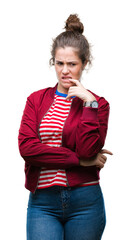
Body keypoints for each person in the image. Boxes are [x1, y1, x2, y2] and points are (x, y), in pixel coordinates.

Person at [18, 14, 112, 240]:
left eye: (72, 64)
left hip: (85, 201)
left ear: (84, 64)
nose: (65, 71)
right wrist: (79, 161)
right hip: (43, 202)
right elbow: (27, 150)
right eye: (59, 63)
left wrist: (89, 104)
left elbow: (88, 150)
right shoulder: (36, 100)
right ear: (53, 62)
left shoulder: (98, 104)